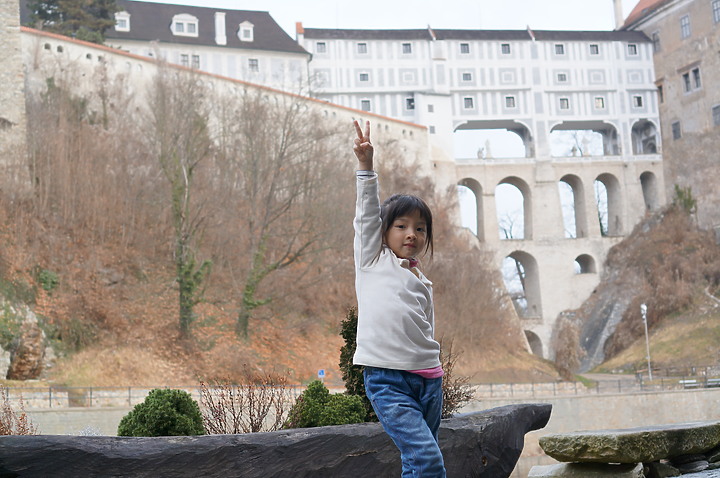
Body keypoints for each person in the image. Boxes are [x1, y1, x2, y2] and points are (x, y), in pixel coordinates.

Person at [352, 120, 446, 477]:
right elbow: (364, 218)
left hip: (430, 380)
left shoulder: (422, 281)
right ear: (385, 231)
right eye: (402, 225)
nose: (412, 234)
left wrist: (435, 371)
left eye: (420, 228)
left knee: (419, 462)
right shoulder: (372, 262)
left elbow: (427, 330)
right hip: (389, 379)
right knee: (427, 459)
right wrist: (366, 168)